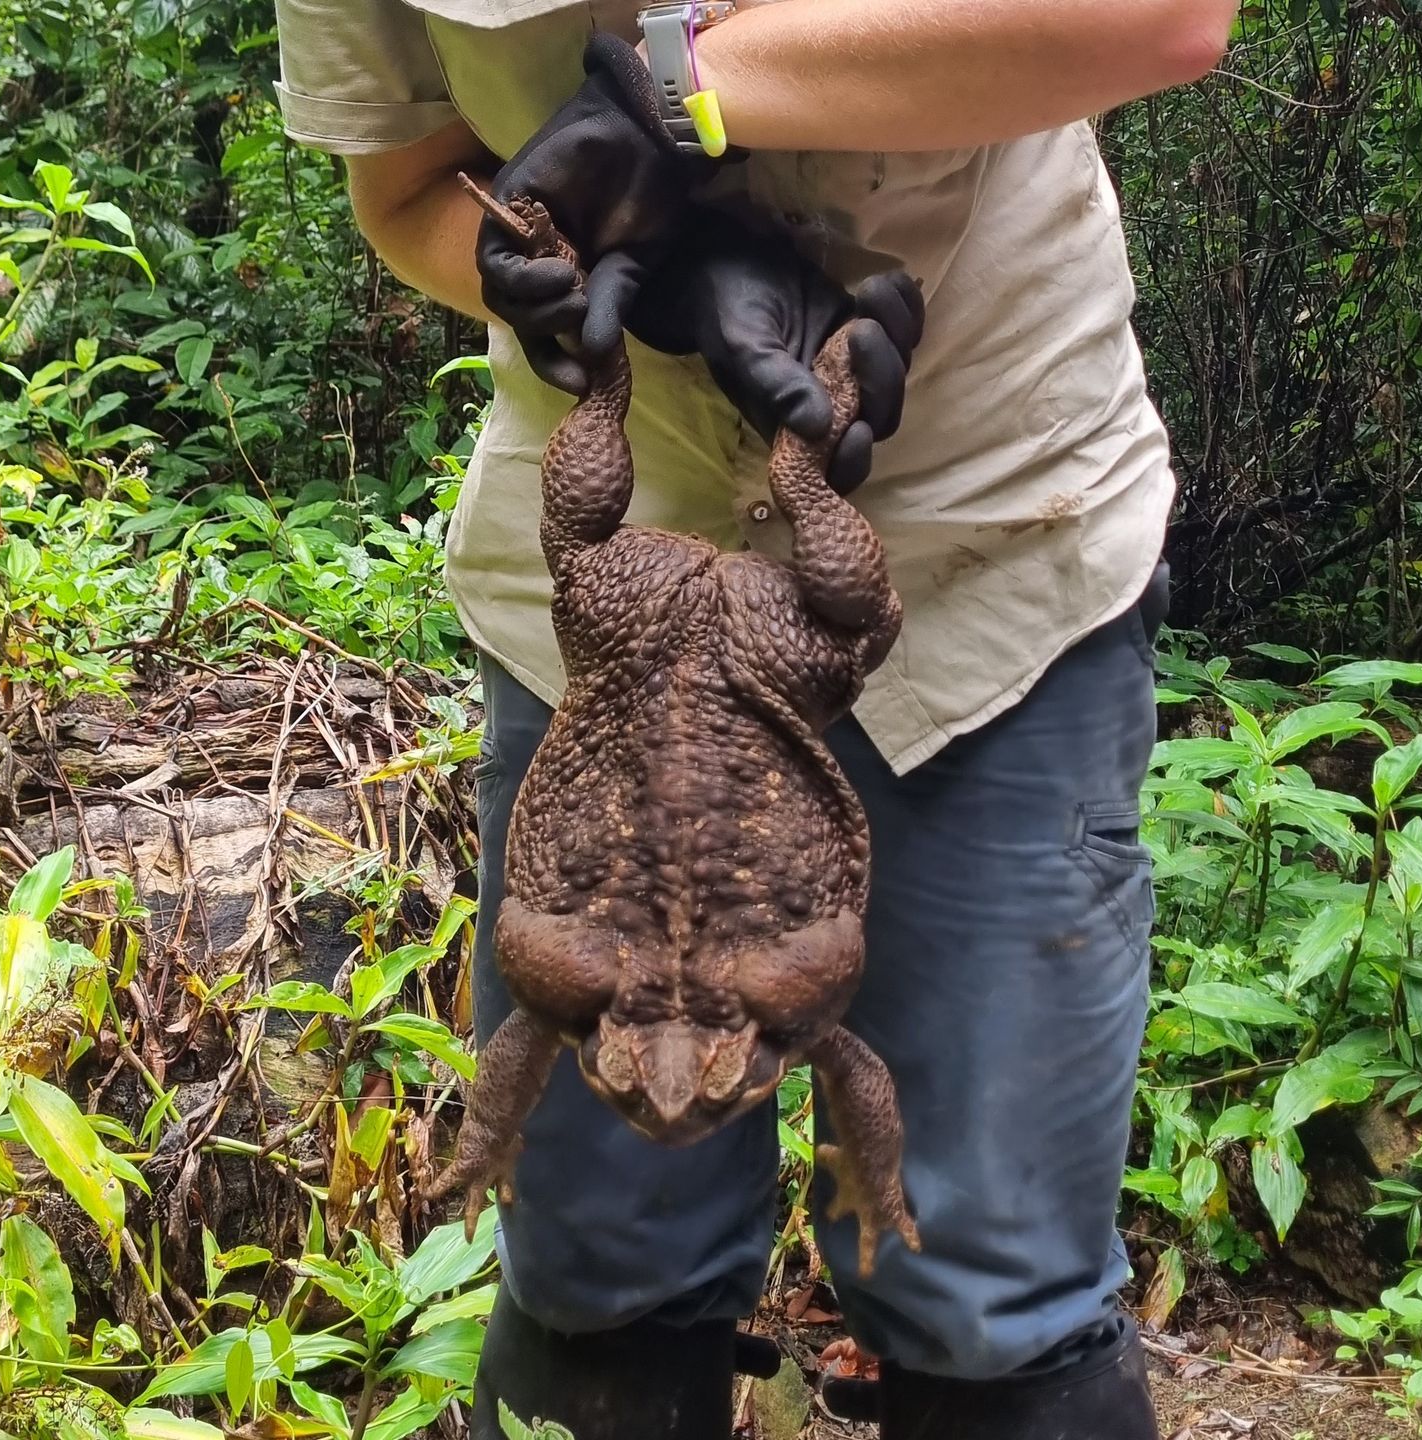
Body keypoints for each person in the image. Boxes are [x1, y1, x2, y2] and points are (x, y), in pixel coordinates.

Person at [271, 1, 1235, 1434]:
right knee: (596, 1264)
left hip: (983, 532)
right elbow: (409, 189)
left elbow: (1159, 17)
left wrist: (679, 96)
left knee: (993, 1291)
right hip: (607, 602)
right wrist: (548, 275)